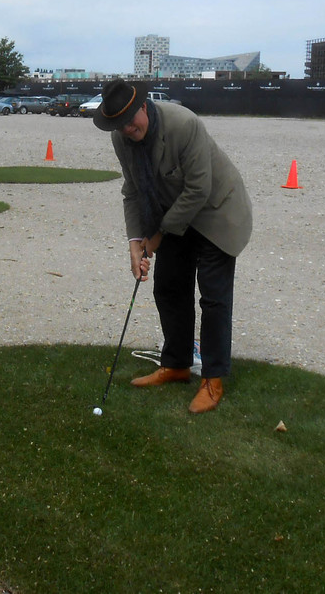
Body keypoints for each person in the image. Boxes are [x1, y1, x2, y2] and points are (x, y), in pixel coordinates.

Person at [93, 79, 252, 414]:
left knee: (213, 298)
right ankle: (177, 364)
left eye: (129, 119)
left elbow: (198, 189)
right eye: (118, 124)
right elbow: (132, 191)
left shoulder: (184, 124)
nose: (126, 128)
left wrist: (157, 238)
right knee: (168, 288)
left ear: (143, 106)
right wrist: (136, 243)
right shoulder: (121, 138)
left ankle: (213, 378)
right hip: (176, 216)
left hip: (217, 213)